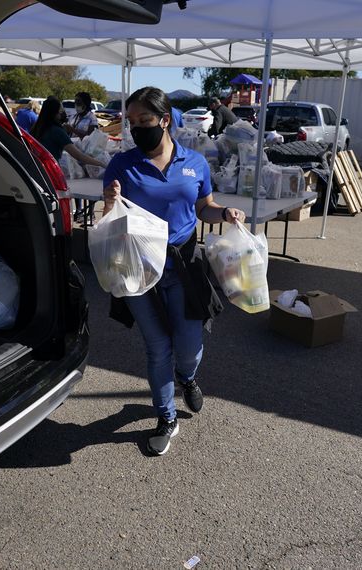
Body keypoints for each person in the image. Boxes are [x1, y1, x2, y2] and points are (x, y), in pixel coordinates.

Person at [102, 86, 246, 456]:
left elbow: (205, 208)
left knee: (188, 346)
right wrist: (110, 203)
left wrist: (224, 213)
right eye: (132, 122)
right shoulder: (122, 165)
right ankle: (166, 417)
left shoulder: (194, 163)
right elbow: (110, 220)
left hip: (182, 265)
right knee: (157, 347)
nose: (136, 129)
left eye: (144, 121)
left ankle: (188, 377)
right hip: (137, 267)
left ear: (165, 121)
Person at [31, 97, 106, 170]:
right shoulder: (57, 131)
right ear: (56, 112)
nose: (63, 112)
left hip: (35, 168)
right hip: (50, 170)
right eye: (61, 110)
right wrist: (101, 164)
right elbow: (79, 156)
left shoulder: (36, 127)